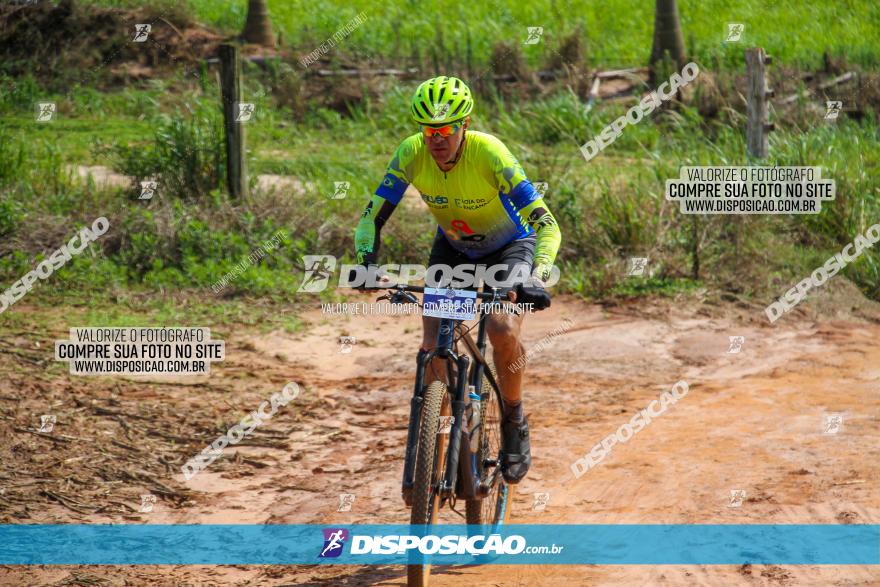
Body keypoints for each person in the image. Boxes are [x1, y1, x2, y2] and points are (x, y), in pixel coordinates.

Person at [354, 76, 562, 483]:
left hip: (510, 247)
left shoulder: (490, 153)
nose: (436, 139)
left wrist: (536, 276)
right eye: (427, 129)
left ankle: (514, 420)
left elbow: (547, 223)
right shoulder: (411, 154)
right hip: (454, 250)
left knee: (501, 326)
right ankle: (435, 439)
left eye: (446, 130)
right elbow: (371, 217)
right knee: (433, 347)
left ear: (464, 124)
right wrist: (366, 261)